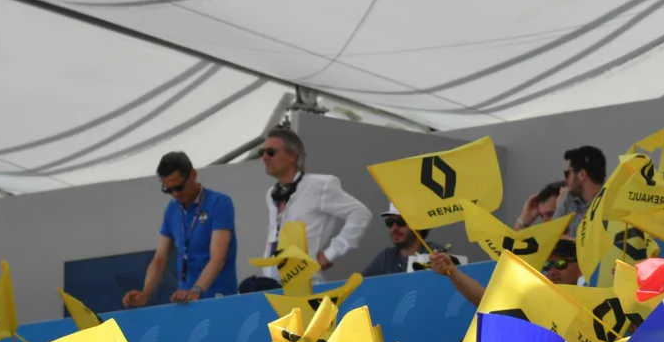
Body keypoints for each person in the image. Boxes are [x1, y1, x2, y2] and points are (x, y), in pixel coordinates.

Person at [126, 151, 235, 306]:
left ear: (193, 175)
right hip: (185, 301)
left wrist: (195, 291)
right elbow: (160, 259)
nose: (175, 194)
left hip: (218, 298)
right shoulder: (172, 209)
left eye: (179, 187)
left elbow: (218, 258)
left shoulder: (219, 203)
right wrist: (145, 294)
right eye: (168, 190)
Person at [260, 126, 370, 269]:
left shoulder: (320, 185)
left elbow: (361, 213)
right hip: (273, 280)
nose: (264, 157)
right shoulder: (272, 193)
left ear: (292, 156)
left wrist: (331, 253)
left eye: (270, 152)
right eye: (262, 152)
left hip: (305, 281)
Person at [362, 206, 445, 277]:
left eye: (401, 222)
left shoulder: (436, 254)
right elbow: (358, 287)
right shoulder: (386, 257)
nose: (394, 228)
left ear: (418, 225)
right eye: (390, 223)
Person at [558, 146, 605, 230]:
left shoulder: (610, 205)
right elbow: (551, 237)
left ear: (582, 175)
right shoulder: (568, 200)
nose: (565, 179)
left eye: (567, 173)